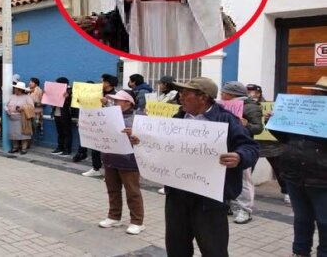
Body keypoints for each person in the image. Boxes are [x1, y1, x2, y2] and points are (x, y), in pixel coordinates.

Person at [129, 77, 258, 256]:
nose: (180, 97)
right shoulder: (179, 117)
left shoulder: (226, 120)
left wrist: (239, 156)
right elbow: (162, 143)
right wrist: (141, 141)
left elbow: (251, 148)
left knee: (213, 249)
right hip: (177, 194)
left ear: (203, 97)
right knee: (176, 247)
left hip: (210, 198)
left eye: (185, 94)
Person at [268, 76, 327, 257]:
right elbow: (286, 139)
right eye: (315, 92)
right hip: (295, 175)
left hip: (322, 179)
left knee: (325, 222)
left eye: (321, 93)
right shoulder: (302, 111)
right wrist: (274, 123)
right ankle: (299, 252)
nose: (315, 95)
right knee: (302, 219)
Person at [98, 90, 146, 235]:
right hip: (109, 158)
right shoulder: (108, 115)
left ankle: (137, 222)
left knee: (132, 192)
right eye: (114, 100)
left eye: (118, 100)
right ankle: (114, 216)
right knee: (112, 190)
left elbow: (148, 138)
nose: (115, 103)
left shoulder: (140, 117)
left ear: (128, 102)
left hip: (129, 160)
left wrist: (134, 134)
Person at [221, 81, 264, 225]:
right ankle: (226, 204)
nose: (221, 95)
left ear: (232, 94)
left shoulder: (251, 107)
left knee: (244, 178)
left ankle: (245, 209)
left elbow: (258, 128)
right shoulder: (221, 106)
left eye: (224, 93)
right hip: (225, 144)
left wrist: (247, 124)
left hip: (241, 147)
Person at [155, 75, 179, 194]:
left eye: (161, 83)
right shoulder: (163, 95)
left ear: (166, 84)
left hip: (170, 128)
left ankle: (169, 185)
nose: (159, 85)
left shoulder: (175, 94)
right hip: (162, 127)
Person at [5, 81, 35, 154]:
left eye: (17, 89)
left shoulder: (27, 97)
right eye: (15, 89)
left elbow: (31, 106)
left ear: (21, 90)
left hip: (22, 118)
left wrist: (23, 108)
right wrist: (7, 110)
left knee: (23, 133)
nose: (15, 90)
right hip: (12, 117)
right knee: (14, 133)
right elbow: (5, 105)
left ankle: (24, 148)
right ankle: (15, 147)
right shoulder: (12, 96)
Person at [50, 77, 73, 156]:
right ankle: (60, 147)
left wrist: (68, 97)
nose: (56, 84)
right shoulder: (55, 91)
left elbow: (73, 103)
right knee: (60, 133)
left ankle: (67, 150)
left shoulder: (70, 91)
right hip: (56, 114)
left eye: (57, 83)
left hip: (65, 115)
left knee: (67, 133)